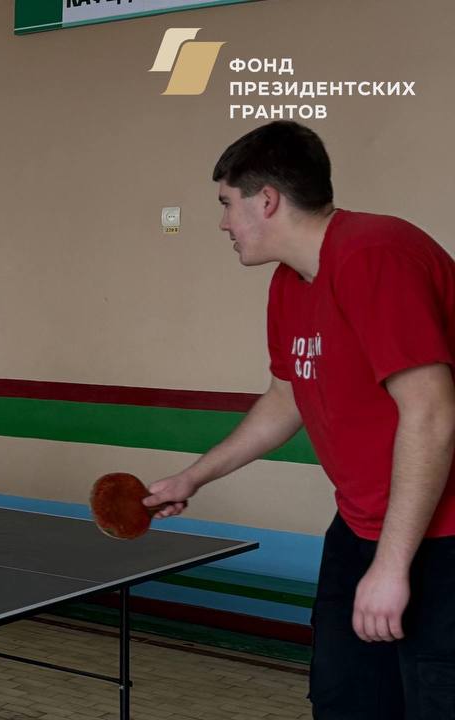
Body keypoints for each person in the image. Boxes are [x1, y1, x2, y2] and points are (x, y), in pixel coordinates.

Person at [144, 121, 455, 718]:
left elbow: (432, 411)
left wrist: (392, 567)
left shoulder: (375, 256)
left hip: (440, 541)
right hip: (361, 529)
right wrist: (193, 476)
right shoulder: (291, 283)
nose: (223, 224)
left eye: (226, 204)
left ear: (266, 200)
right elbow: (285, 400)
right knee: (344, 701)